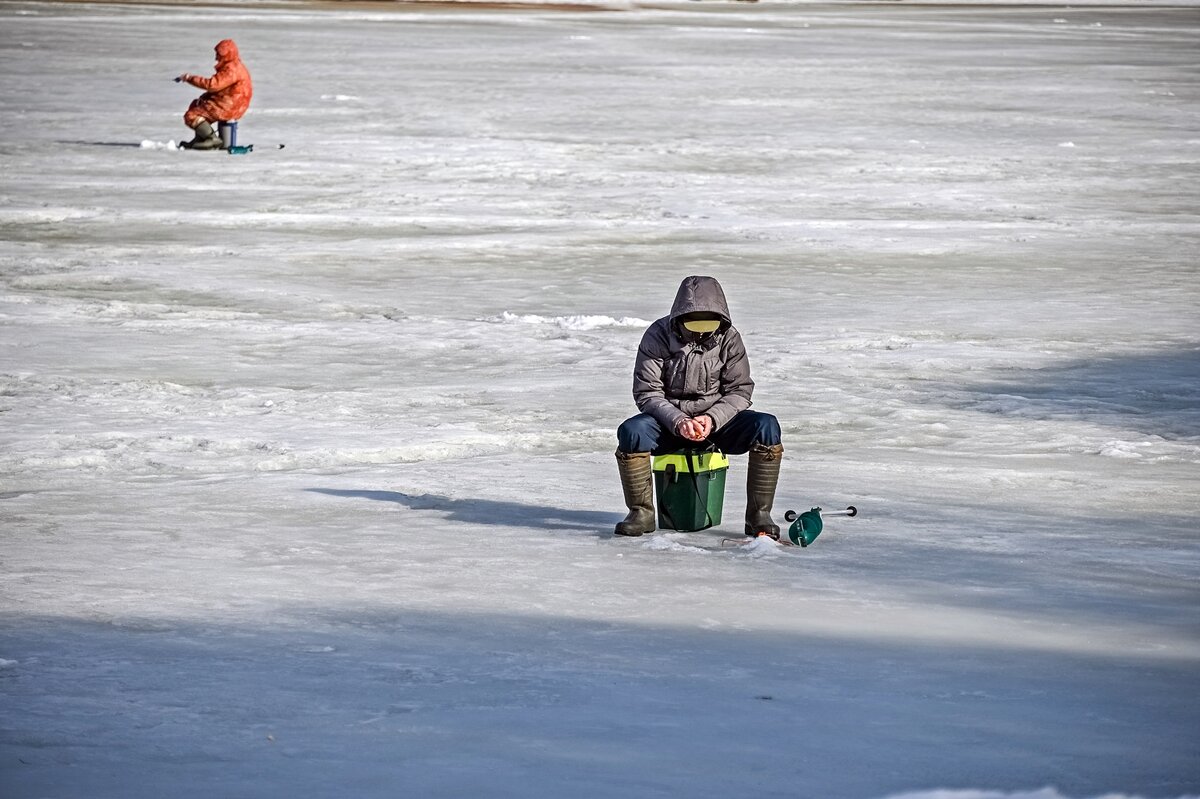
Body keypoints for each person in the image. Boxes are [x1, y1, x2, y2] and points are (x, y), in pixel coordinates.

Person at [614, 275, 784, 538]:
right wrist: (678, 420)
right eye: (694, 324)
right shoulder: (657, 336)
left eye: (709, 324)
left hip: (717, 424)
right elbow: (647, 392)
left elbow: (740, 389)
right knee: (631, 432)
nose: (702, 331)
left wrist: (713, 418)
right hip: (668, 425)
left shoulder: (729, 338)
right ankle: (641, 513)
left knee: (766, 426)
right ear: (679, 318)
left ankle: (759, 516)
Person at [176, 39, 252, 150]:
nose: (216, 58)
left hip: (229, 105)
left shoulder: (231, 69)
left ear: (227, 54)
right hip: (231, 102)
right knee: (197, 104)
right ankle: (201, 139)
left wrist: (189, 78)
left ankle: (212, 139)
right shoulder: (234, 66)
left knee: (191, 116)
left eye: (219, 55)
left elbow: (212, 85)